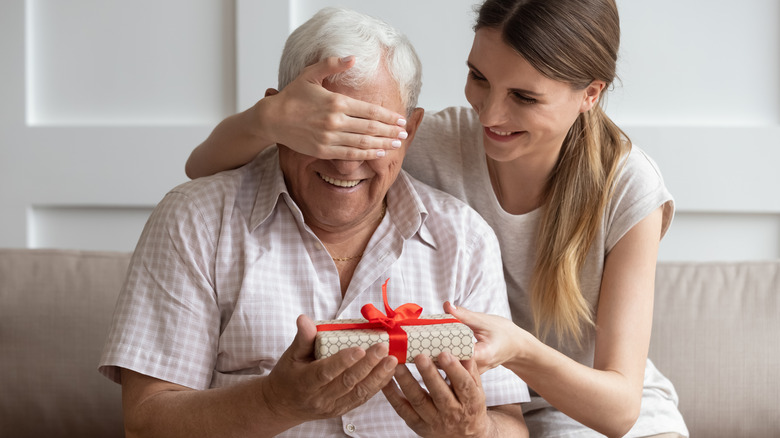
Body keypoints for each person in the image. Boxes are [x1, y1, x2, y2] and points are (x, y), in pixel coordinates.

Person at [183, 0, 690, 437]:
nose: (490, 114)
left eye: (524, 97)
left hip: (594, 412)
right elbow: (205, 172)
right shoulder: (430, 141)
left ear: (590, 94)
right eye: (479, 78)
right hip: (492, 409)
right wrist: (268, 119)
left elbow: (620, 409)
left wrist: (518, 350)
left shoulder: (629, 187)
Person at [99, 7, 530, 438]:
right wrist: (272, 403)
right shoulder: (197, 221)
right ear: (280, 117)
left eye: (372, 135)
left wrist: (475, 431)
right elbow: (146, 423)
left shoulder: (465, 239)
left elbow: (510, 425)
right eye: (327, 131)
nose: (346, 163)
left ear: (411, 131)